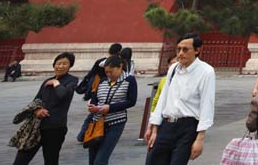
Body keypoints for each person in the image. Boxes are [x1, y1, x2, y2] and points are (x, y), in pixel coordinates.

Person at [146, 33, 216, 165]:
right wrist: (154, 128)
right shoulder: (173, 69)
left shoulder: (206, 72)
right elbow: (163, 99)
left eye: (185, 49)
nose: (180, 53)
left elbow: (207, 105)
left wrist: (200, 139)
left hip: (187, 128)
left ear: (197, 50)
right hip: (166, 126)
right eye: (178, 49)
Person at [13, 51, 78, 165]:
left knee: (51, 161)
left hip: (55, 128)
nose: (61, 66)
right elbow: (36, 100)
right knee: (20, 160)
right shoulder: (45, 82)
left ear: (70, 66)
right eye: (58, 63)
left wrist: (55, 82)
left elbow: (62, 94)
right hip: (36, 127)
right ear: (54, 65)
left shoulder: (72, 80)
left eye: (65, 64)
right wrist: (37, 110)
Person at [86, 55, 139, 165]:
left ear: (120, 67)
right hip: (97, 122)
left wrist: (110, 108)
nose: (109, 75)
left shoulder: (129, 80)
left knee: (100, 160)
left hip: (116, 122)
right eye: (106, 72)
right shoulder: (103, 81)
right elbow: (95, 98)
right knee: (92, 159)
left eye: (111, 72)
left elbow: (131, 101)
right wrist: (93, 106)